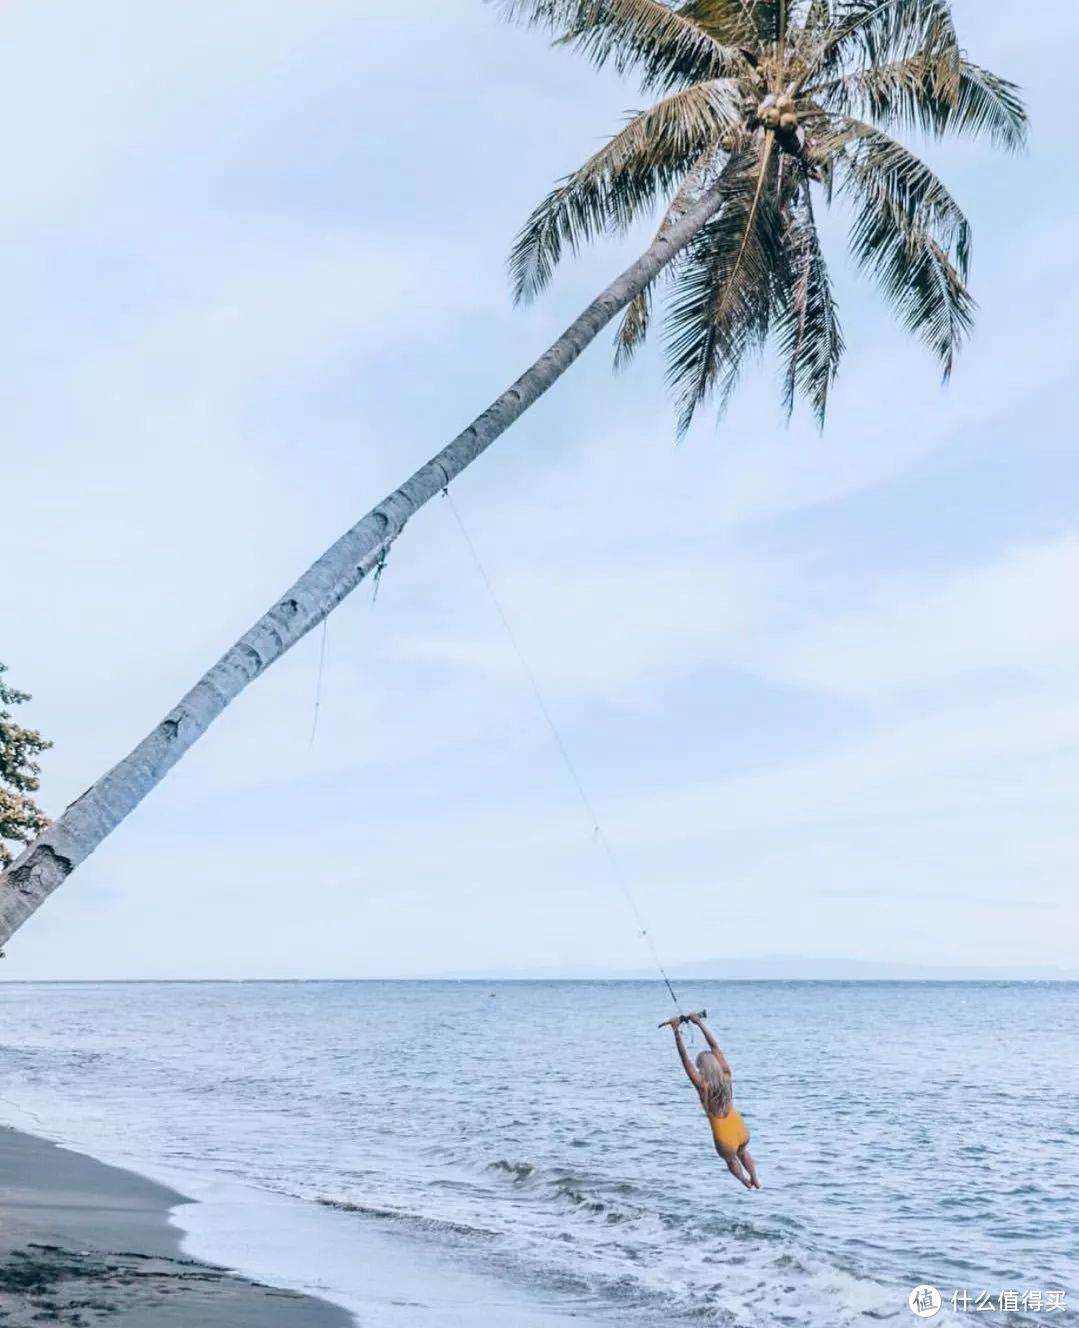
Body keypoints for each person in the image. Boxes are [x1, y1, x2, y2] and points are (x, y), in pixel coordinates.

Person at [663, 1011, 760, 1189]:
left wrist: (676, 1031)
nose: (698, 1070)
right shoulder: (726, 1075)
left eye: (699, 1067)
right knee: (743, 1151)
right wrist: (699, 1023)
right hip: (739, 1128)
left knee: (731, 1161)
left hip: (724, 1137)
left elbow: (685, 1060)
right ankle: (755, 1177)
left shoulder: (702, 1086)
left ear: (703, 1069)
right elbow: (714, 1046)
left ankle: (745, 1181)